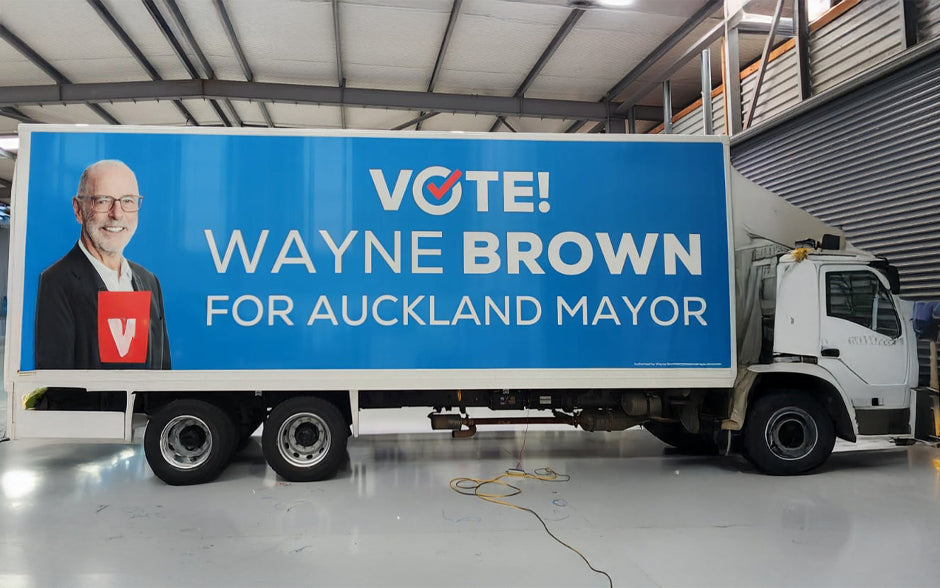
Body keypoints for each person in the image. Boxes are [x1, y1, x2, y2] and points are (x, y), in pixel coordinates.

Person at [34, 160, 170, 409]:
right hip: (89, 424)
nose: (117, 214)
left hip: (142, 422)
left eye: (127, 201)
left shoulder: (148, 281)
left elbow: (162, 369)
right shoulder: (57, 281)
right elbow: (58, 384)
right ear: (78, 210)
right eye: (103, 201)